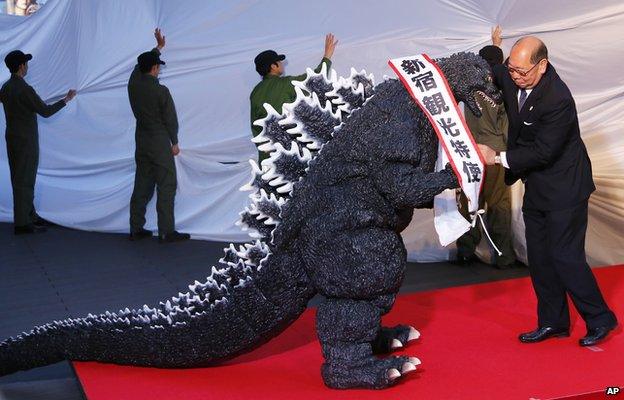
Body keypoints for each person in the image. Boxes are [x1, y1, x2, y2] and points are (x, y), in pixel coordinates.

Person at [478, 29, 618, 346]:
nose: (514, 76)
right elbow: (490, 65)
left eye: (521, 71)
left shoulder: (558, 99)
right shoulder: (513, 72)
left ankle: (600, 319)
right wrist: (493, 49)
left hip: (565, 187)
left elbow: (543, 152)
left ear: (542, 66)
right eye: (512, 69)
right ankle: (553, 322)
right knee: (540, 258)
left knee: (565, 257)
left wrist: (496, 156)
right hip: (538, 184)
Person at [456, 26, 516, 269]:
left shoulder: (470, 87)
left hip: (471, 154)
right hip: (496, 155)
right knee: (499, 206)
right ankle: (504, 257)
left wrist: (494, 45)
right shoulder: (505, 88)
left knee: (469, 204)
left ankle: (465, 252)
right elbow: (507, 125)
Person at [0, 50, 76, 234]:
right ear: (21, 66)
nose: (27, 66)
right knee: (25, 180)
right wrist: (66, 99)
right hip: (26, 140)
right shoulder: (25, 89)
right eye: (26, 63)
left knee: (19, 177)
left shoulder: (6, 87)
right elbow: (46, 111)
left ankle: (29, 215)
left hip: (12, 137)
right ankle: (22, 223)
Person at [127, 28, 189, 243]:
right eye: (157, 67)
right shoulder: (161, 91)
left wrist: (158, 48)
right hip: (159, 140)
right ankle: (166, 231)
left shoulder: (133, 84)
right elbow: (170, 120)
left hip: (141, 139)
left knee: (142, 183)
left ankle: (136, 227)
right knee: (166, 184)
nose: (158, 70)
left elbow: (138, 67)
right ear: (154, 68)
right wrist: (175, 142)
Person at [250, 33, 338, 162]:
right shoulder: (286, 84)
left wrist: (265, 152)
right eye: (279, 61)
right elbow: (314, 79)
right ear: (273, 66)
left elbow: (255, 127)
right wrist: (327, 56)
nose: (281, 63)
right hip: (293, 152)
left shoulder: (255, 93)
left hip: (269, 158)